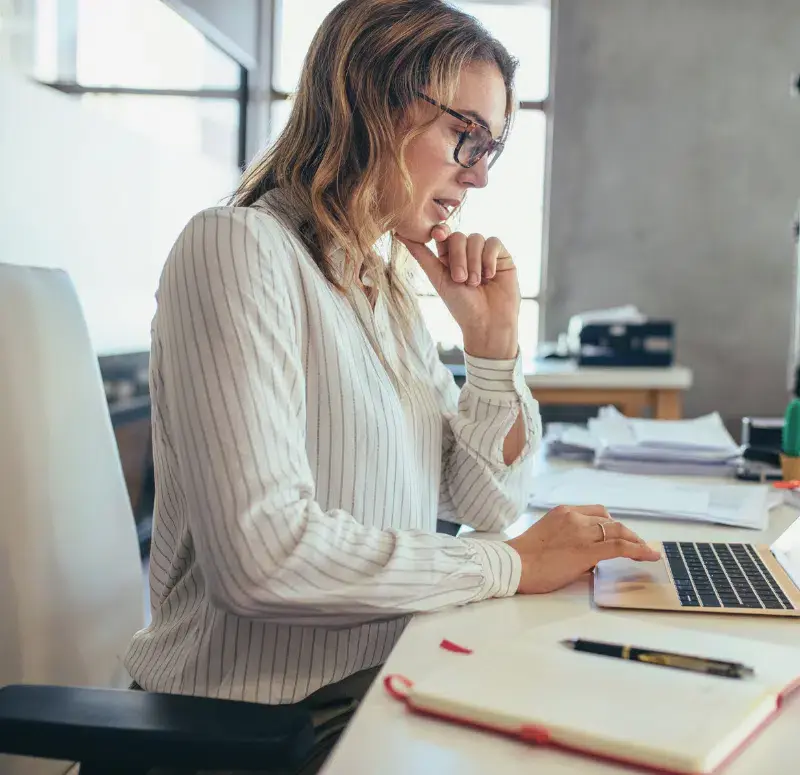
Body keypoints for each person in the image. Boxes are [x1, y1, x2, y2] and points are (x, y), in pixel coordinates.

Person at [124, 1, 660, 771]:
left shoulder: (385, 286)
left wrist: (492, 347)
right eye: (465, 135)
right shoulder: (238, 248)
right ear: (372, 101)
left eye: (492, 149)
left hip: (381, 687)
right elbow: (263, 556)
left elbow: (483, 501)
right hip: (253, 730)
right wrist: (506, 564)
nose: (476, 173)